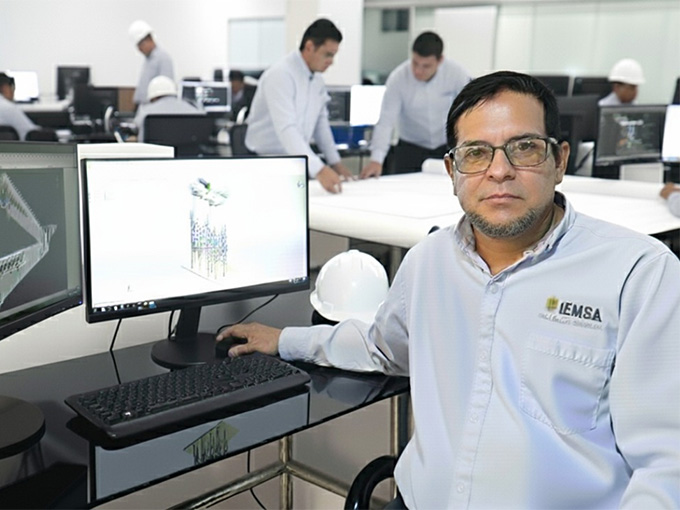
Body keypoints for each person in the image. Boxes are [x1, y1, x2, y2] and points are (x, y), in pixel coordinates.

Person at [218, 71, 680, 508]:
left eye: (524, 148)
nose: (499, 171)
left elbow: (666, 464)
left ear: (559, 160)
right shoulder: (429, 262)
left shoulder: (637, 274)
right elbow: (382, 348)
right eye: (476, 153)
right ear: (452, 170)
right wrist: (285, 340)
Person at [244, 18, 354, 194]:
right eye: (328, 54)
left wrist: (336, 163)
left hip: (295, 161)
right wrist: (319, 169)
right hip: (266, 163)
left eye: (334, 55)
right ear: (309, 47)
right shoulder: (281, 74)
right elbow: (287, 128)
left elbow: (321, 125)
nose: (331, 61)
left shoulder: (316, 80)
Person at [360, 32, 470, 178]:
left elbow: (468, 112)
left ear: (440, 60)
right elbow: (386, 121)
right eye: (415, 63)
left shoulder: (456, 74)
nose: (418, 71)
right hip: (410, 149)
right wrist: (376, 159)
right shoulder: (398, 78)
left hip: (445, 147)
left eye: (426, 66)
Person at [132, 75, 204, 142]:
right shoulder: (196, 111)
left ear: (153, 98)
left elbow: (135, 128)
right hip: (188, 151)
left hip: (156, 151)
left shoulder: (145, 111)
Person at [129, 20, 175, 107]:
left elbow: (166, 92)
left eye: (140, 45)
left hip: (155, 109)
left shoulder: (163, 59)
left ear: (149, 39)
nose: (139, 49)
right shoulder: (149, 59)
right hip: (143, 107)